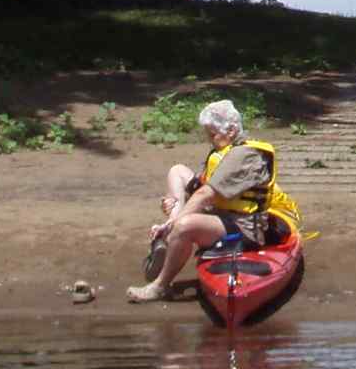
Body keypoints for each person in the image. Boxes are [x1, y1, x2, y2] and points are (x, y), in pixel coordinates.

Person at [127, 99, 302, 303]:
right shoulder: (224, 150)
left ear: (231, 130)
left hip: (245, 227)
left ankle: (160, 286)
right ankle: (170, 233)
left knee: (184, 225)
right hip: (221, 215)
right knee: (178, 172)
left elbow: (205, 194)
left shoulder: (244, 154)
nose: (209, 139)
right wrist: (174, 201)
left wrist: (172, 222)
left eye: (212, 134)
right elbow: (199, 186)